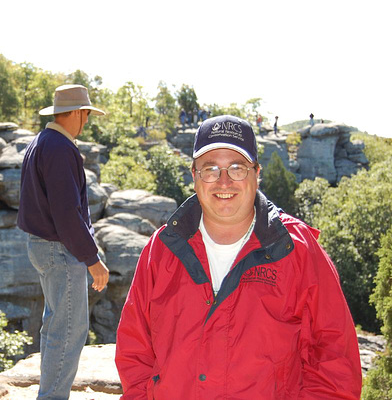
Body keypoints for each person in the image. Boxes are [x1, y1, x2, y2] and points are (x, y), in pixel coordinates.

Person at [115, 115, 362, 399]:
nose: (224, 181)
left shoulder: (298, 250)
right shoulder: (162, 249)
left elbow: (335, 362)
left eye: (237, 168)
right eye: (210, 169)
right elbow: (134, 351)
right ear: (194, 176)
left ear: (257, 173)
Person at [17, 84, 110, 399]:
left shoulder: (42, 142)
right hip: (60, 250)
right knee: (68, 332)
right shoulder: (59, 148)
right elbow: (67, 213)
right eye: (87, 115)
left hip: (42, 246)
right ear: (78, 113)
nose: (87, 122)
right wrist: (92, 260)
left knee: (55, 327)